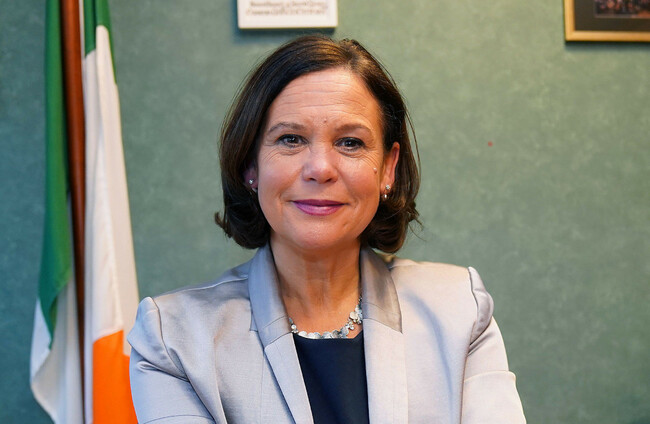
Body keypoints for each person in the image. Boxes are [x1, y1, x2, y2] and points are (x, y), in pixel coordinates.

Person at [128, 35, 526, 424]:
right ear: (251, 166)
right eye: (290, 139)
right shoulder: (173, 341)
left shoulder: (460, 311)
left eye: (350, 143)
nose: (320, 168)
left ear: (388, 169)